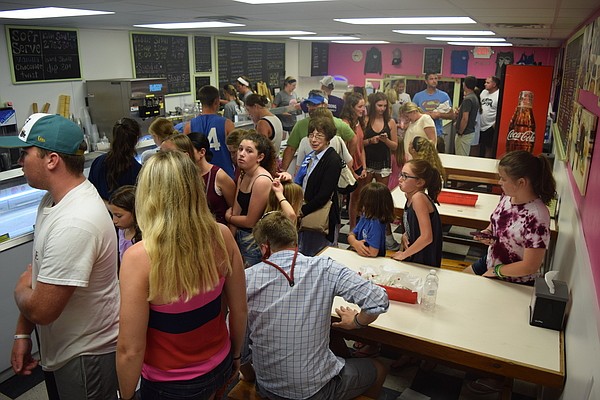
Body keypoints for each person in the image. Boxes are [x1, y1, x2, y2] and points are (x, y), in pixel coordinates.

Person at [3, 113, 119, 399]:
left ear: (52, 159)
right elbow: (39, 280)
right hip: (60, 347)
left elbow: (42, 306)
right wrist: (22, 333)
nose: (19, 162)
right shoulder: (51, 200)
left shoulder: (76, 221)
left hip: (84, 354)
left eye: (24, 153)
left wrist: (20, 290)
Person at [116, 151, 247, 400]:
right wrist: (236, 355)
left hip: (170, 383)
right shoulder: (222, 236)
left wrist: (126, 395)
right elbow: (239, 309)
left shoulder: (139, 258)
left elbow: (130, 349)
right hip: (219, 363)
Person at [243, 211, 389, 400]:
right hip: (313, 391)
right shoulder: (324, 267)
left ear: (264, 248)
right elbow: (378, 300)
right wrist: (357, 322)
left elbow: (238, 345)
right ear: (295, 240)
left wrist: (250, 375)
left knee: (333, 346)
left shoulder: (246, 279)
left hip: (267, 388)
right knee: (379, 368)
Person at [463, 150, 556, 284]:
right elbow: (496, 221)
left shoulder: (537, 217)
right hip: (492, 261)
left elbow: (530, 266)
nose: (500, 182)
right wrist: (488, 232)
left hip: (514, 277)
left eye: (504, 179)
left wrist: (497, 271)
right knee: (460, 281)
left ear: (521, 183)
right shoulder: (508, 196)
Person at [162, 133, 236, 225]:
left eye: (171, 154)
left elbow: (234, 210)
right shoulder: (180, 180)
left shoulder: (219, 176)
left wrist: (230, 235)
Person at [225, 132, 276, 267]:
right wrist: (230, 241)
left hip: (255, 240)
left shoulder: (261, 180)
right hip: (241, 237)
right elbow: (236, 209)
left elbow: (250, 221)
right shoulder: (243, 174)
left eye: (249, 151)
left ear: (260, 157)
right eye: (240, 149)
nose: (241, 154)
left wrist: (228, 217)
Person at [295, 116, 343, 256]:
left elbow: (324, 195)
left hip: (321, 215)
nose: (314, 140)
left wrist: (302, 211)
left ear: (328, 138)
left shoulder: (332, 160)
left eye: (319, 136)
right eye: (311, 135)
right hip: (307, 211)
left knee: (318, 254)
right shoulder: (312, 156)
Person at [281, 90, 356, 173]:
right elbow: (291, 149)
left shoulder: (338, 124)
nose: (312, 108)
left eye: (315, 104)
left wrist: (344, 160)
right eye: (309, 104)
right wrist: (283, 171)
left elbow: (353, 139)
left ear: (325, 105)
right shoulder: (301, 125)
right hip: (310, 174)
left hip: (333, 174)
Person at [392, 159, 443, 268]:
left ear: (419, 182)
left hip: (424, 261)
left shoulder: (418, 198)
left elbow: (427, 237)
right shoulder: (410, 196)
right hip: (415, 255)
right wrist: (406, 235)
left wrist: (403, 255)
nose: (400, 179)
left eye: (405, 176)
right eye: (401, 174)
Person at [184, 85, 236, 179]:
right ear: (217, 102)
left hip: (199, 177)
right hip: (225, 175)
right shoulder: (227, 124)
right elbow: (235, 153)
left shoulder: (188, 126)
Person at [88, 117, 142, 201]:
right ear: (136, 139)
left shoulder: (97, 163)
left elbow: (91, 193)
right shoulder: (138, 171)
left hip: (101, 211)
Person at [339, 92, 368, 230]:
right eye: (360, 106)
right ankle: (351, 229)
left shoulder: (359, 122)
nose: (363, 109)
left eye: (364, 106)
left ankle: (356, 227)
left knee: (358, 198)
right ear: (351, 107)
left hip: (358, 165)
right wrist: (352, 173)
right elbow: (344, 153)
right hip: (348, 166)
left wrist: (364, 167)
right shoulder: (345, 123)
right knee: (350, 199)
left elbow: (361, 147)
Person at [347, 182, 395, 257]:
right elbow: (351, 235)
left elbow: (373, 253)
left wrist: (355, 244)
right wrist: (355, 243)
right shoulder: (365, 216)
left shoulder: (376, 224)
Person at [412, 71, 454, 153]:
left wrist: (439, 115)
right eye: (431, 79)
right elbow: (411, 114)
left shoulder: (444, 96)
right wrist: (425, 115)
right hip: (421, 133)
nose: (434, 81)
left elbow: (452, 115)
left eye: (436, 78)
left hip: (437, 133)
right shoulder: (418, 96)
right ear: (426, 81)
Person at [108, 185, 141, 263]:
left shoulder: (143, 238)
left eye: (119, 216)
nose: (114, 221)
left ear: (134, 212)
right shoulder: (121, 231)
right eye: (112, 215)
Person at [454, 76, 481, 156]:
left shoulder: (468, 99)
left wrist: (460, 132)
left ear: (464, 84)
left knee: (461, 157)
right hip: (469, 132)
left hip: (464, 134)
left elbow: (465, 118)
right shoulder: (474, 97)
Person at [479, 76, 500, 158]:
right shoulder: (483, 92)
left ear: (494, 84)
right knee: (478, 146)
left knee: (488, 149)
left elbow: (500, 112)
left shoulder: (498, 95)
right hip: (480, 125)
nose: (485, 84)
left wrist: (494, 126)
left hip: (490, 126)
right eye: (485, 82)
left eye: (488, 83)